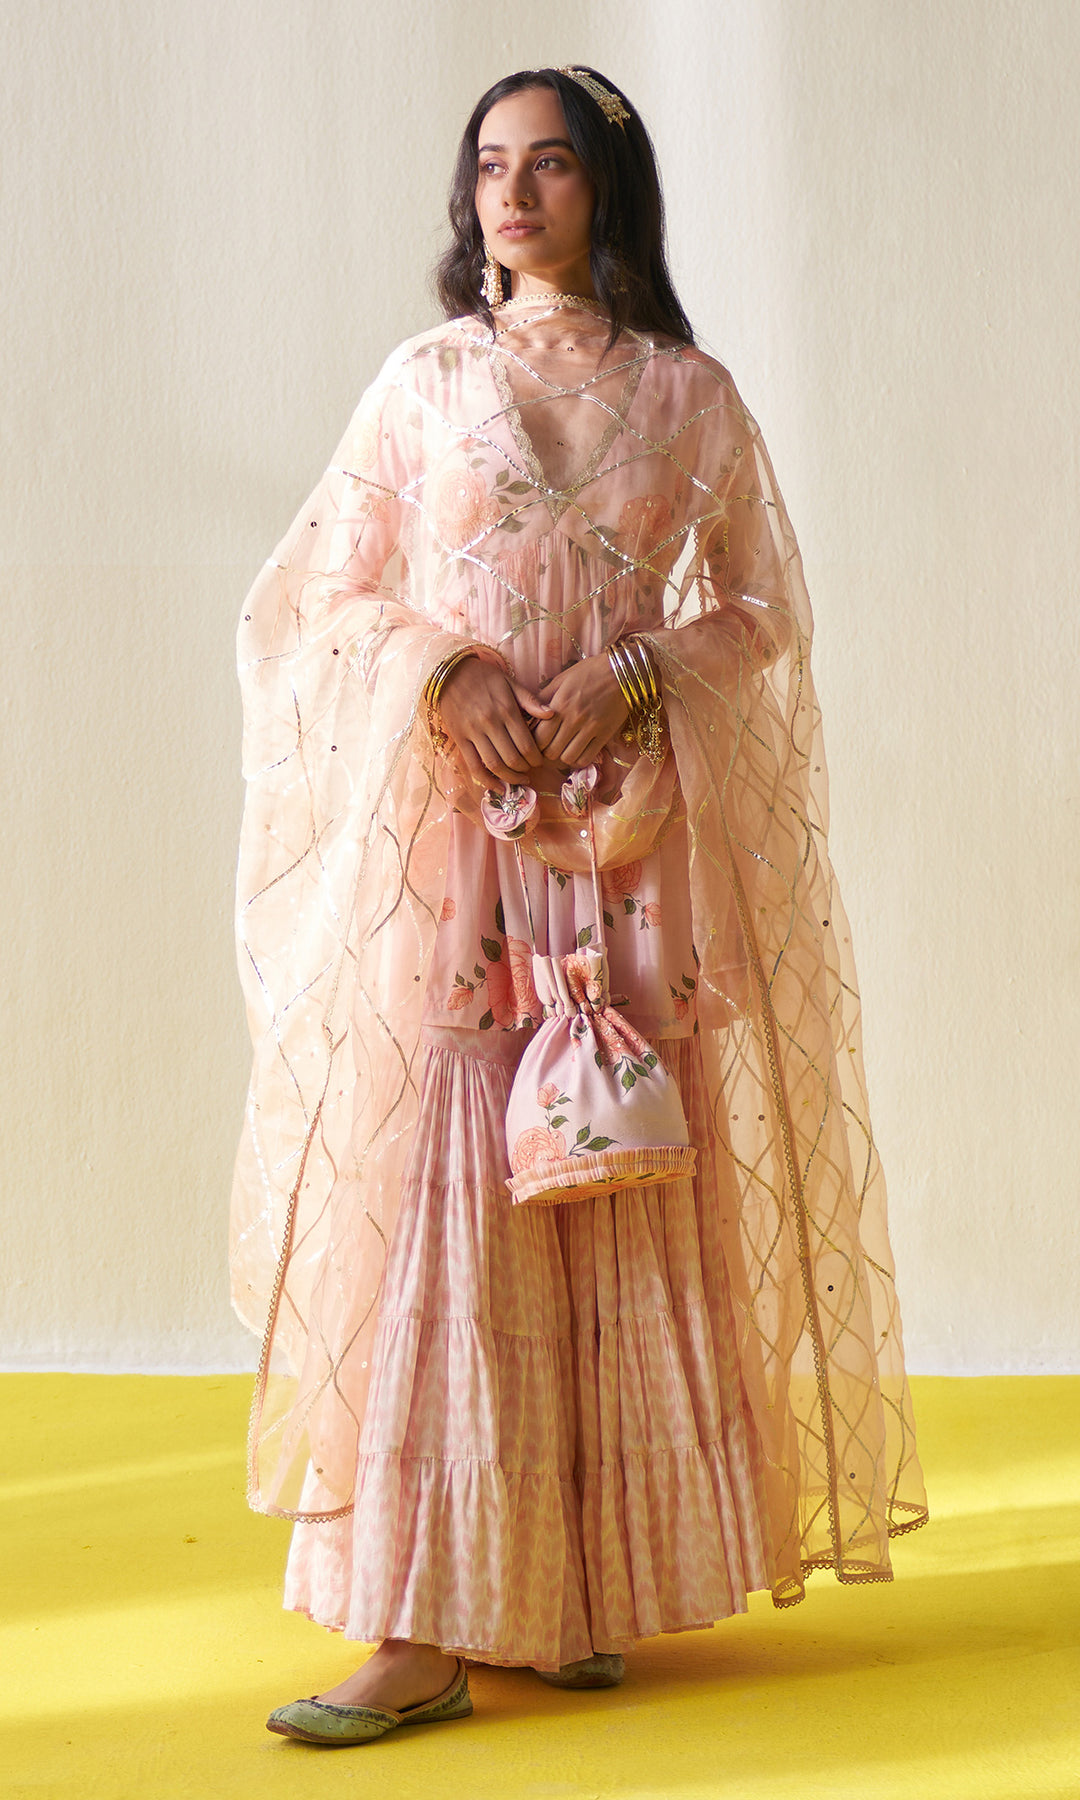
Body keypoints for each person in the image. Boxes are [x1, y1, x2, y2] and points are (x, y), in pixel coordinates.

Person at [231, 66, 928, 1748]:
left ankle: (573, 1593)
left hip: (621, 845)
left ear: (607, 189)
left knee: (606, 1167)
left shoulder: (688, 397)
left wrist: (644, 672)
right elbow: (320, 595)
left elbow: (762, 606)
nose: (515, 192)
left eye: (548, 164)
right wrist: (440, 666)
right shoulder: (422, 386)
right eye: (492, 165)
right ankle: (417, 1626)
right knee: (450, 1189)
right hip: (456, 846)